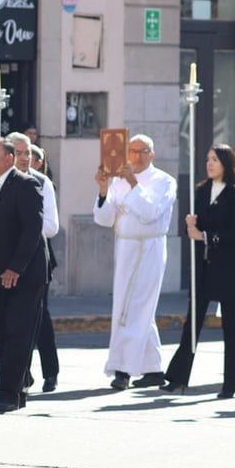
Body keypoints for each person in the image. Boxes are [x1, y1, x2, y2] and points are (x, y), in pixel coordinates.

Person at [162, 145, 235, 398]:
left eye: (214, 159)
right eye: (207, 159)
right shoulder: (201, 190)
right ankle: (178, 377)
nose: (209, 164)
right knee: (193, 320)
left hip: (228, 264)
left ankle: (232, 383)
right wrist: (192, 223)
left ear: (226, 162)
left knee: (230, 323)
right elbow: (198, 226)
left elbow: (234, 232)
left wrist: (204, 235)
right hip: (203, 264)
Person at [93, 134, 177, 391]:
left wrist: (131, 183)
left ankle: (123, 369)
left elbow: (150, 212)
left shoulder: (164, 181)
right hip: (125, 247)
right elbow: (104, 219)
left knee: (134, 308)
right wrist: (104, 189)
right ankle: (153, 369)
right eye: (133, 150)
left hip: (148, 247)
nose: (137, 156)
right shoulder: (118, 180)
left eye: (143, 151)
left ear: (152, 154)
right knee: (135, 308)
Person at [0, 137, 49, 412]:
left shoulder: (27, 185)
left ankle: (11, 393)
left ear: (8, 159)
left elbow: (32, 230)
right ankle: (11, 387)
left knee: (18, 332)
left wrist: (15, 267)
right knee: (0, 331)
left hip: (25, 275)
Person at [5, 132, 60, 392]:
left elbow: (51, 226)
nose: (25, 158)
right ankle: (17, 375)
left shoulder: (42, 182)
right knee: (7, 320)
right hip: (4, 261)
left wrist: (20, 230)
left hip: (36, 260)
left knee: (39, 319)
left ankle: (50, 371)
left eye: (28, 153)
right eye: (19, 153)